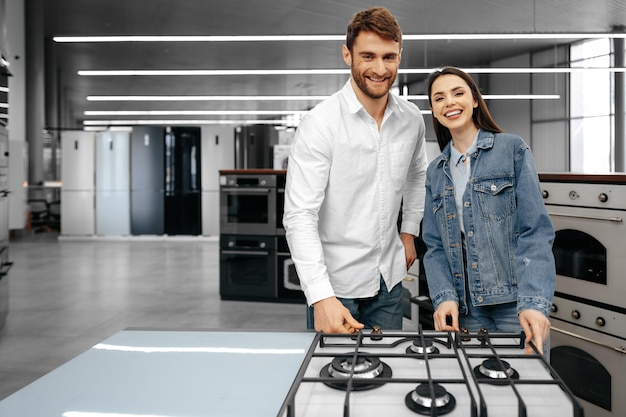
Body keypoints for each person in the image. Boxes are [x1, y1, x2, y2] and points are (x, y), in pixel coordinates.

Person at [283, 7, 428, 334]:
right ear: (347, 55)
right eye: (368, 56)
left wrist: (409, 232)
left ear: (400, 56)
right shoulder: (320, 124)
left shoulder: (411, 119)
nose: (379, 69)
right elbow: (299, 215)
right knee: (333, 381)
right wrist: (320, 297)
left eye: (389, 57)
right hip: (336, 286)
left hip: (389, 280)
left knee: (389, 373)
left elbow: (417, 175)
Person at [422, 66, 555, 354]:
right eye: (439, 98)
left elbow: (535, 231)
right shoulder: (435, 172)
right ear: (433, 110)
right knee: (474, 392)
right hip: (465, 310)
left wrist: (534, 302)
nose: (450, 103)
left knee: (527, 392)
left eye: (458, 93)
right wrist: (444, 297)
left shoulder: (512, 150)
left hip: (516, 307)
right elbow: (435, 247)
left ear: (474, 100)